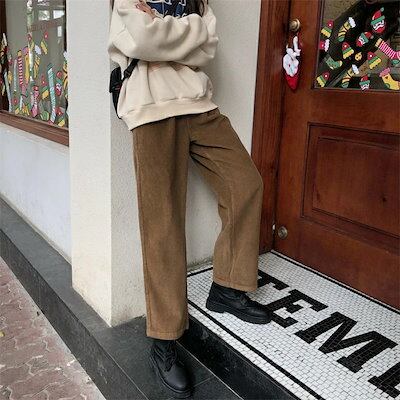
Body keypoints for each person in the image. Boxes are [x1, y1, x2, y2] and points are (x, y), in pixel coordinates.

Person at [107, 0, 271, 397]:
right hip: (150, 108)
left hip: (199, 105)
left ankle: (227, 286)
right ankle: (163, 340)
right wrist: (187, 32)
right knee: (161, 222)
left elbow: (207, 46)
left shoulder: (199, 1)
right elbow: (141, 40)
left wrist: (162, 30)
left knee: (244, 183)